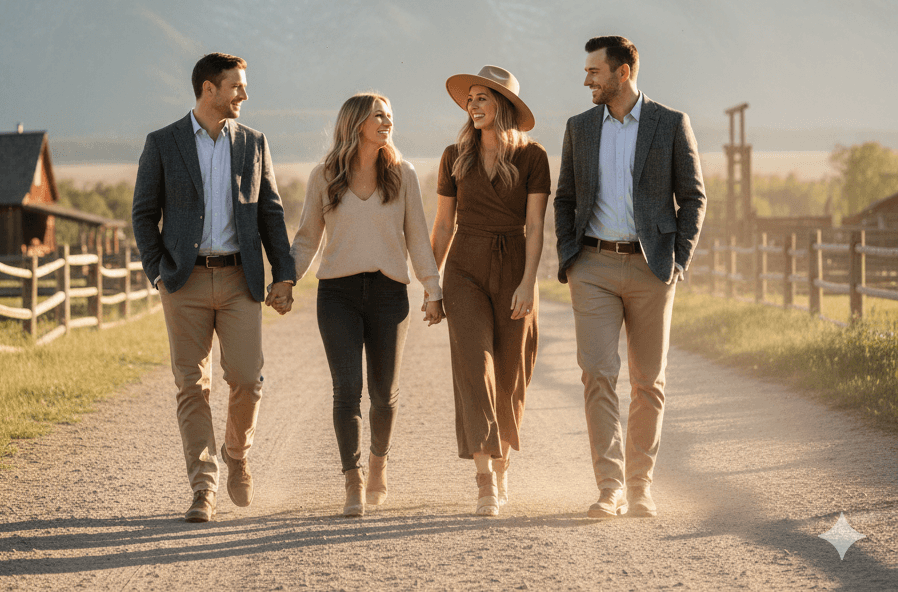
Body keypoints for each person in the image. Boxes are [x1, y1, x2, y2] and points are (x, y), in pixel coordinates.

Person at [132, 53, 297, 523]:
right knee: (191, 385)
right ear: (209, 89)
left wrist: (283, 274)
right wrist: (158, 271)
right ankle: (203, 487)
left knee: (247, 378)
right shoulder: (162, 143)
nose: (244, 94)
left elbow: (271, 212)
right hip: (182, 281)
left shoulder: (253, 143)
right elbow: (144, 214)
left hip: (238, 279)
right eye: (236, 86)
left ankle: (236, 453)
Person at [554, 36, 706, 519]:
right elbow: (564, 199)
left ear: (622, 72)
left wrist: (678, 261)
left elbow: (694, 197)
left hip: (652, 268)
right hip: (593, 267)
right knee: (597, 375)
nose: (586, 80)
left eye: (594, 72)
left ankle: (641, 486)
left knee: (647, 382)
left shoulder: (670, 123)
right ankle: (610, 487)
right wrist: (569, 255)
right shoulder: (579, 128)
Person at [291, 93, 444, 517]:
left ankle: (379, 462)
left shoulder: (403, 174)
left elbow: (417, 236)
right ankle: (353, 480)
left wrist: (433, 288)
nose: (387, 121)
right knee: (347, 391)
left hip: (388, 294)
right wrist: (287, 280)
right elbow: (307, 237)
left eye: (390, 115)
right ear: (356, 123)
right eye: (379, 115)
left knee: (383, 395)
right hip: (336, 295)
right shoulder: (323, 175)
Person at [430, 65, 550, 516]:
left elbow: (536, 226)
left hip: (515, 262)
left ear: (504, 105)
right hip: (464, 267)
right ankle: (484, 479)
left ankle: (502, 468)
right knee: (472, 365)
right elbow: (443, 226)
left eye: (483, 97)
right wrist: (430, 284)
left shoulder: (532, 157)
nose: (473, 105)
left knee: (509, 371)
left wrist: (528, 283)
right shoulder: (454, 156)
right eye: (471, 98)